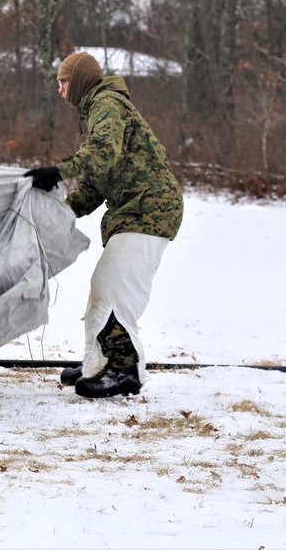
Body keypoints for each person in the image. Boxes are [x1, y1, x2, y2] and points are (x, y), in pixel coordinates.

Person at [25, 51, 183, 398]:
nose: (60, 89)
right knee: (103, 287)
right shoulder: (98, 108)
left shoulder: (107, 102)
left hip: (148, 210)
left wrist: (59, 170)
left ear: (79, 80)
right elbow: (97, 181)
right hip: (134, 211)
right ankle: (97, 364)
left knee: (113, 287)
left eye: (62, 82)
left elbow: (102, 152)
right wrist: (61, 210)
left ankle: (124, 371)